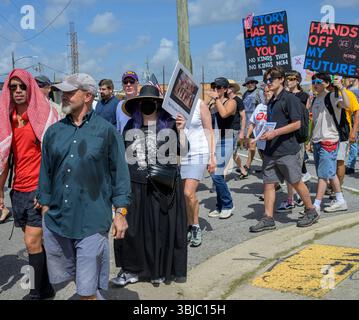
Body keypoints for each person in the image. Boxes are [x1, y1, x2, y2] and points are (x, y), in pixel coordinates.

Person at [35, 73, 131, 300]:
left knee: (86, 291)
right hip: (58, 222)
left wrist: (121, 213)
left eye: (70, 92)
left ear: (88, 96)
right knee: (76, 279)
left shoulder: (106, 132)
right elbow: (46, 172)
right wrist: (45, 207)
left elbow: (120, 176)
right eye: (63, 92)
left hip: (92, 221)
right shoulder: (54, 132)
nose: (64, 96)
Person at [111, 85, 188, 287]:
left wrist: (181, 131)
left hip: (162, 185)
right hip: (136, 185)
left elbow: (183, 151)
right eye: (143, 102)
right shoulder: (130, 127)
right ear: (137, 105)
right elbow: (123, 157)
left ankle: (160, 271)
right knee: (133, 230)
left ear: (158, 104)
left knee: (160, 229)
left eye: (151, 102)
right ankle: (131, 271)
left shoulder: (170, 125)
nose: (147, 105)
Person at [0, 69, 59, 299]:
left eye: (22, 87)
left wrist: (47, 191)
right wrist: (1, 194)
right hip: (18, 191)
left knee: (31, 242)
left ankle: (34, 293)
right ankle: (46, 288)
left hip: (38, 189)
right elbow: (5, 160)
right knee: (36, 245)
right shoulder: (7, 119)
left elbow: (56, 158)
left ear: (30, 88)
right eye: (13, 87)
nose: (17, 91)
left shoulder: (45, 117)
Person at [249, 67, 319, 233]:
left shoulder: (290, 99)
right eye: (266, 79)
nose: (268, 82)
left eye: (271, 79)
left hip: (287, 149)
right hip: (271, 150)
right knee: (268, 184)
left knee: (295, 181)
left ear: (281, 79)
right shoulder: (271, 101)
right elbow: (271, 124)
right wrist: (257, 138)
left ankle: (311, 210)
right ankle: (268, 218)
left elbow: (297, 124)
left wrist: (274, 133)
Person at [310, 73, 350, 213]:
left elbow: (346, 104)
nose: (315, 84)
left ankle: (316, 205)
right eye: (313, 81)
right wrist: (310, 140)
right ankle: (340, 201)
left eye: (318, 81)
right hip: (316, 141)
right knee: (330, 172)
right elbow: (314, 122)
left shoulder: (332, 96)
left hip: (329, 140)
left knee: (323, 174)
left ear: (327, 83)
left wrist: (342, 88)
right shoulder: (315, 99)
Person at [181, 98, 216, 247]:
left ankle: (195, 226)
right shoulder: (172, 106)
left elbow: (209, 131)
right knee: (183, 195)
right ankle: (188, 224)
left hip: (198, 153)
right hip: (180, 155)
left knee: (189, 193)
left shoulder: (199, 104)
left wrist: (212, 156)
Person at [276, 70, 310, 213]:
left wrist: (308, 140)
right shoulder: (283, 96)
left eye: (292, 79)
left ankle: (301, 199)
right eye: (287, 78)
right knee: (289, 171)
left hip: (297, 137)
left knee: (295, 172)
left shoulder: (303, 96)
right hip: (286, 138)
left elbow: (305, 118)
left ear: (297, 80)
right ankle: (291, 198)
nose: (289, 81)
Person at [207, 77, 237, 219]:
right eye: (214, 87)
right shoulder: (212, 104)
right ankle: (220, 206)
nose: (216, 90)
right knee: (215, 173)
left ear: (225, 89)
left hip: (227, 138)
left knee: (217, 174)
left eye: (219, 87)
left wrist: (217, 99)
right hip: (215, 140)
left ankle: (228, 204)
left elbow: (225, 114)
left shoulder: (231, 102)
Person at [227, 80, 247, 179]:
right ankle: (243, 170)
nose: (227, 88)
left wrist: (242, 131)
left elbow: (243, 116)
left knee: (228, 153)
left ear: (233, 89)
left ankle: (221, 178)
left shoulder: (238, 100)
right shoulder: (225, 100)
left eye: (230, 86)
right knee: (233, 153)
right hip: (225, 130)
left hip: (234, 129)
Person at [345, 78, 359, 174]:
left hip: (357, 116)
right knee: (353, 142)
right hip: (351, 119)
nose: (349, 77)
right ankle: (350, 165)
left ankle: (350, 165)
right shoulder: (347, 88)